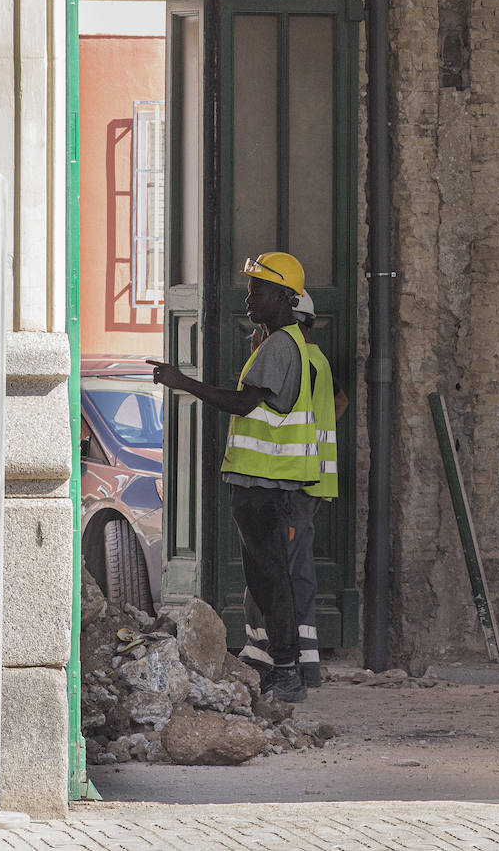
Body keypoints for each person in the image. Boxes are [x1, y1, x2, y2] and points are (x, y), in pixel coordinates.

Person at [149, 251, 317, 704]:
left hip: (266, 485)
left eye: (258, 290)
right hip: (260, 485)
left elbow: (245, 405)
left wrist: (182, 382)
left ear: (284, 297)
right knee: (267, 580)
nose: (249, 298)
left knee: (271, 580)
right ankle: (286, 668)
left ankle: (287, 672)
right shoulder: (280, 342)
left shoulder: (281, 345)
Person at [242, 290, 349, 689]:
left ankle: (272, 657)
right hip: (311, 477)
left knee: (277, 571)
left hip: (292, 479)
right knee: (289, 568)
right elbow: (339, 401)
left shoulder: (295, 359)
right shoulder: (316, 360)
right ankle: (301, 661)